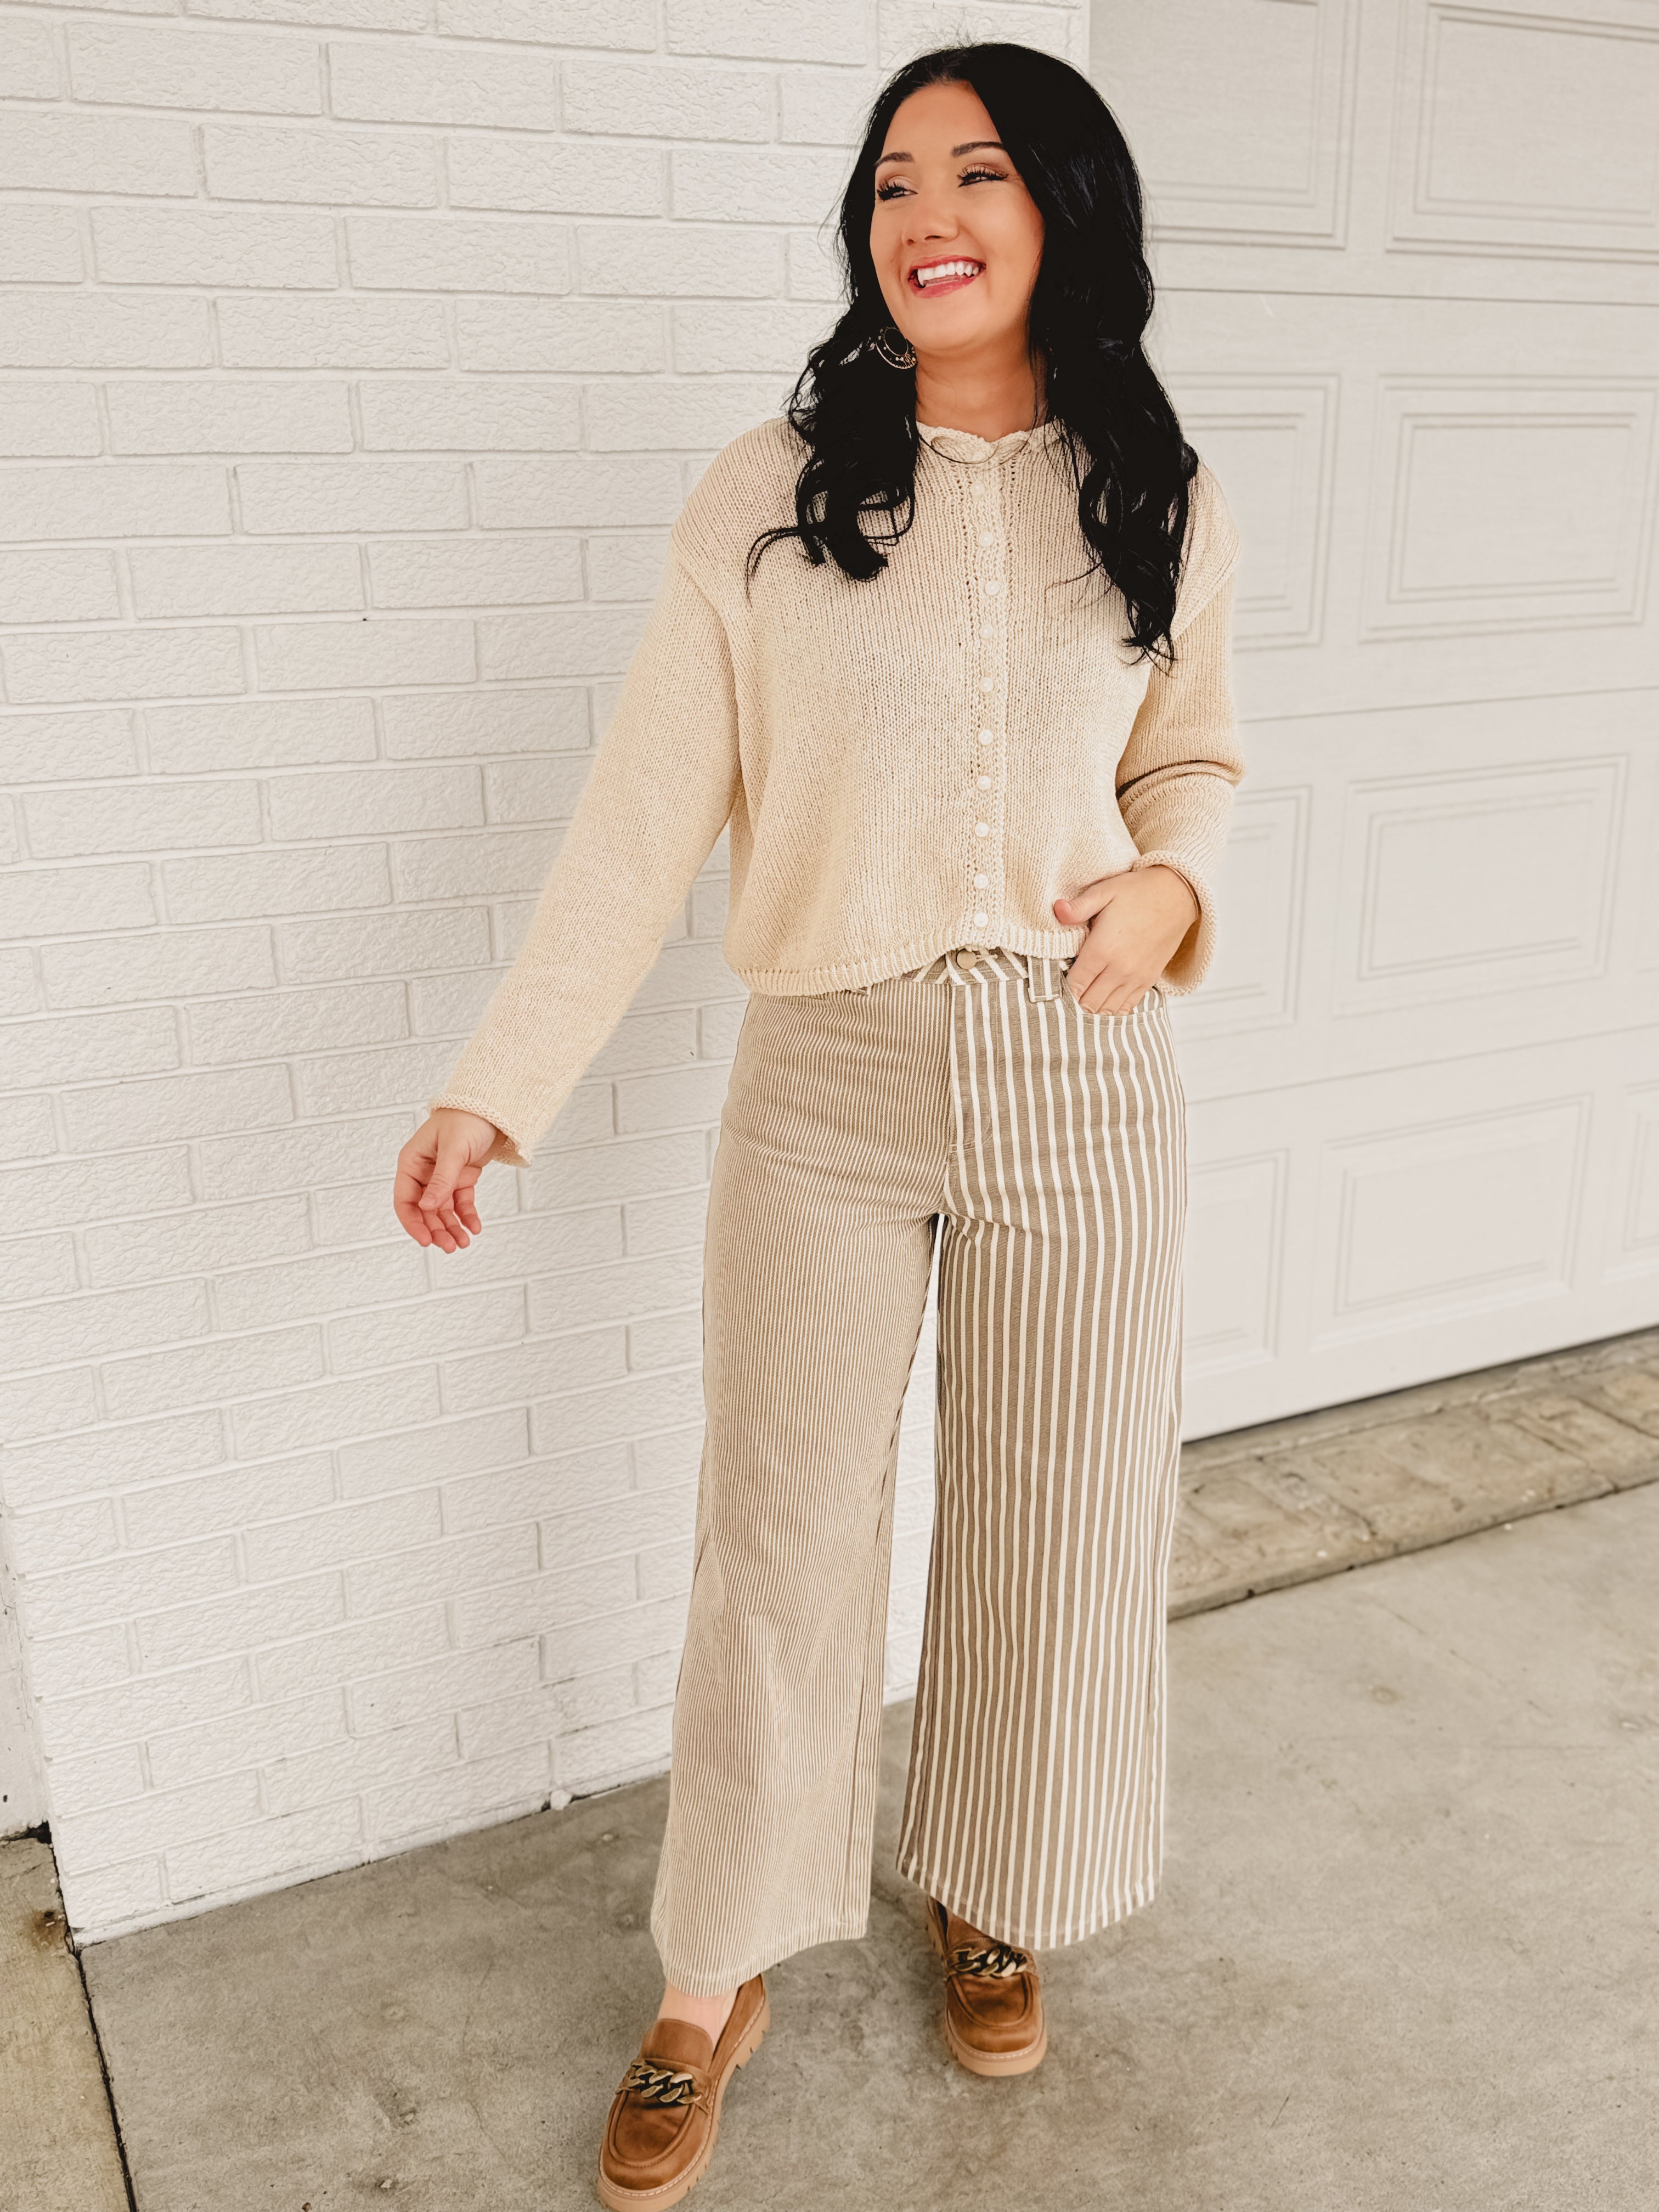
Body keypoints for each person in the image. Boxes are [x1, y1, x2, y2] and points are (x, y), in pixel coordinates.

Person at [393, 40, 1244, 2210]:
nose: (923, 213)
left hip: (1079, 1067)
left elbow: (1192, 760)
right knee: (778, 1528)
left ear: (1065, 209)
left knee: (1056, 1512)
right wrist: (499, 1085)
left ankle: (995, 1883)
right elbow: (639, 819)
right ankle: (718, 1967)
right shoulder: (770, 492)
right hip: (827, 1074)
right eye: (889, 182)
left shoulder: (1157, 489)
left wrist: (1170, 888)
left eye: (976, 171)